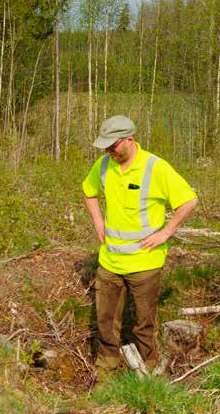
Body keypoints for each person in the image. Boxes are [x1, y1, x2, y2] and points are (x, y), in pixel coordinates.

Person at [82, 115, 198, 373]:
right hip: (110, 261)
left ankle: (148, 372)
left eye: (113, 145)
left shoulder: (155, 167)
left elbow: (188, 200)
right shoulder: (103, 165)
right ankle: (106, 372)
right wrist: (98, 222)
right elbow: (89, 192)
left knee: (143, 324)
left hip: (146, 262)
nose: (108, 151)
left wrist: (166, 232)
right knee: (105, 321)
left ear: (130, 139)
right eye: (105, 146)